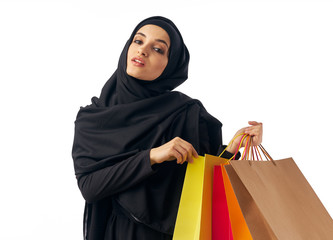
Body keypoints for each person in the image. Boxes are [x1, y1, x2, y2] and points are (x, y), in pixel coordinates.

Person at [72, 16, 263, 240]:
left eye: (158, 49)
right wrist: (152, 156)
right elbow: (89, 187)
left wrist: (232, 149)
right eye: (138, 41)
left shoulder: (185, 112)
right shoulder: (94, 118)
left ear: (170, 66)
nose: (143, 51)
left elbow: (204, 187)